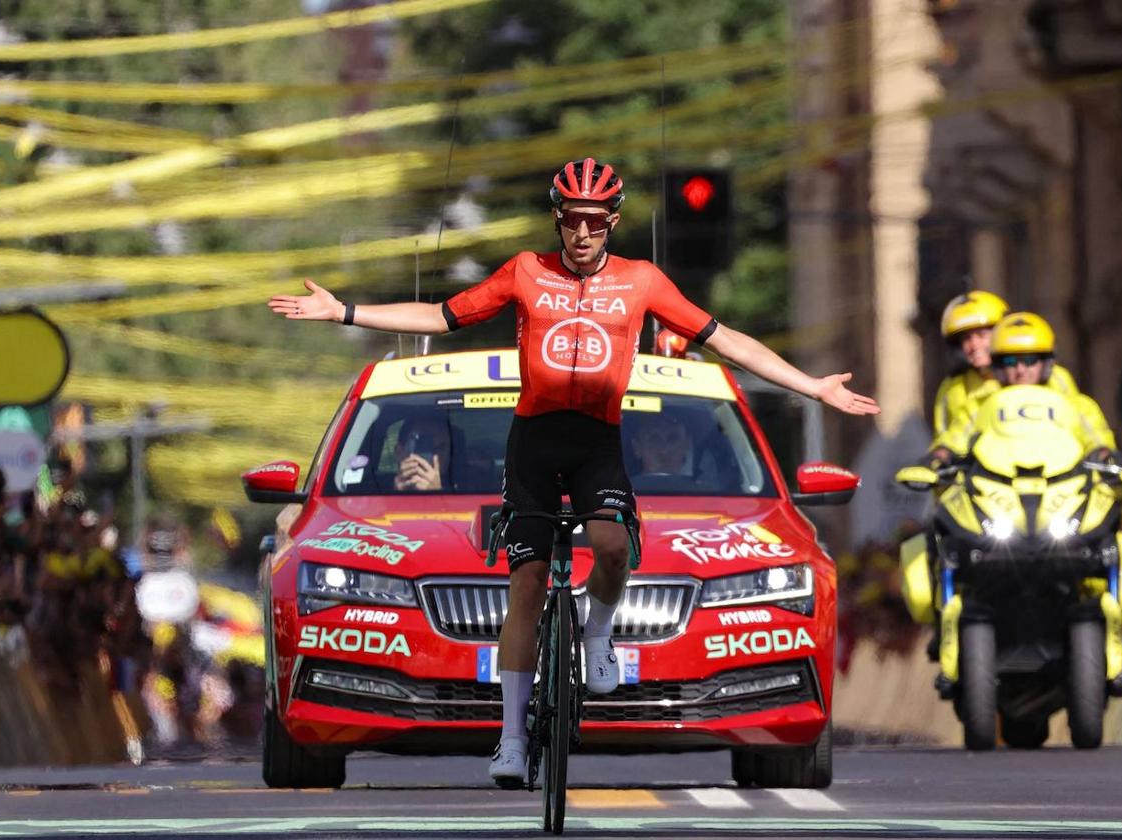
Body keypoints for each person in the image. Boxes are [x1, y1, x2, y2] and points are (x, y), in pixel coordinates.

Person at [268, 157, 879, 787]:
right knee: (527, 580)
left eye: (594, 222)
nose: (582, 235)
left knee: (612, 547)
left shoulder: (642, 281)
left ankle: (598, 634)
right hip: (533, 441)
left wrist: (813, 387)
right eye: (571, 221)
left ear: (612, 221)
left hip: (598, 443)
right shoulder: (525, 272)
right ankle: (509, 740)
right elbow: (439, 315)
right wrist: (344, 312)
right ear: (558, 219)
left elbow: (728, 342)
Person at [936, 312, 1115, 459]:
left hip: (1063, 487)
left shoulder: (1076, 405)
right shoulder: (980, 404)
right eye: (1010, 361)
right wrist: (940, 456)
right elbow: (955, 437)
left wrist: (1103, 453)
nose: (1021, 370)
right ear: (998, 366)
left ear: (1046, 364)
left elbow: (1095, 436)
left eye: (1030, 360)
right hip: (998, 489)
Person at [930, 292, 1080, 463]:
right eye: (966, 339)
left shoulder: (1053, 376)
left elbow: (1079, 420)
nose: (973, 346)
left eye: (981, 336)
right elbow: (948, 439)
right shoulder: (953, 388)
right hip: (983, 479)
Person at [392, 415, 452, 492]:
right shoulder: (376, 490)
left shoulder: (466, 491)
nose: (434, 456)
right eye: (422, 444)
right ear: (399, 452)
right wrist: (397, 495)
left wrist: (436, 494)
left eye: (440, 448)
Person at [629, 412, 693, 478]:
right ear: (637, 447)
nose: (664, 450)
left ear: (687, 444)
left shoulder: (701, 488)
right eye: (654, 440)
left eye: (673, 439)